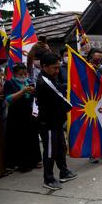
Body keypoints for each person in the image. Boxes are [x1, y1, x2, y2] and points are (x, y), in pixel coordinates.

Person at [35, 53, 77, 190]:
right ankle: (48, 178)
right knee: (50, 151)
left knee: (61, 148)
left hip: (56, 121)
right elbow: (62, 98)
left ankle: (63, 171)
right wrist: (75, 107)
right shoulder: (44, 81)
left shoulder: (50, 77)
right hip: (48, 123)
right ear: (44, 66)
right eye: (54, 68)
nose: (57, 71)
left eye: (58, 68)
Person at [3, 63, 42, 172]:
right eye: (21, 74)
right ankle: (22, 164)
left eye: (25, 73)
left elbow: (35, 97)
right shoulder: (10, 83)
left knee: (32, 136)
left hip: (29, 113)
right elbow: (8, 99)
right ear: (15, 73)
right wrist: (23, 91)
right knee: (20, 138)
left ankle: (35, 160)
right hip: (16, 114)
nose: (24, 75)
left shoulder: (29, 82)